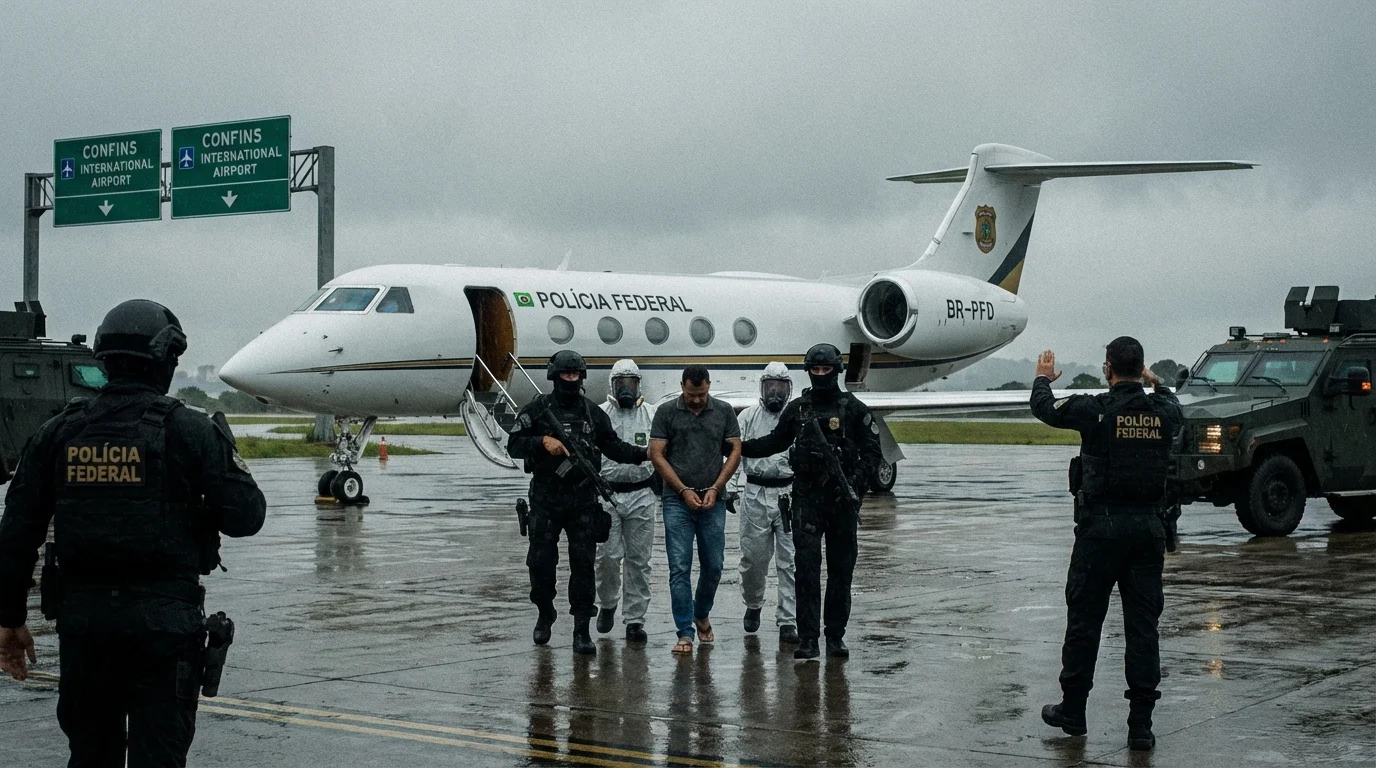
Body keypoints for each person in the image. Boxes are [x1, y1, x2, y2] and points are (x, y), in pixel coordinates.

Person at [0, 299, 266, 767]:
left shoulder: (58, 432)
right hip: (164, 631)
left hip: (86, 628)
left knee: (90, 757)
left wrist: (9, 618)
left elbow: (17, 532)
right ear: (166, 361)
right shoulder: (189, 429)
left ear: (103, 359)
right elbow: (247, 517)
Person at [1030, 338, 1182, 752]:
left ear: (1108, 369)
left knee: (1084, 621)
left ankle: (1074, 711)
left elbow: (1043, 409)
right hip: (1147, 532)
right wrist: (1156, 382)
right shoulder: (1162, 412)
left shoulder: (1095, 409)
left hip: (1100, 534)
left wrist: (1042, 379)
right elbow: (1176, 407)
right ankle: (1140, 726)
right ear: (1141, 369)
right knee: (1143, 629)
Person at [740, 343, 882, 661]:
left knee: (841, 572)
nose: (820, 375)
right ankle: (807, 639)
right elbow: (774, 442)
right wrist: (736, 447)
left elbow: (873, 453)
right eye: (814, 370)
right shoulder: (798, 409)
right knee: (805, 571)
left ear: (837, 370)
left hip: (842, 502)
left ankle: (835, 637)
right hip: (807, 501)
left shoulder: (853, 408)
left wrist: (854, 486)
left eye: (825, 370)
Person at [507, 351, 649, 655]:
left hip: (582, 499)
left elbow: (613, 445)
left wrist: (645, 454)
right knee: (541, 564)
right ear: (555, 376)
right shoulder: (538, 410)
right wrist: (542, 442)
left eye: (575, 375)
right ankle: (545, 614)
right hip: (546, 500)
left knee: (583, 566)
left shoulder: (593, 413)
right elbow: (514, 444)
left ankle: (581, 629)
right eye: (566, 375)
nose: (571, 380)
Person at [648, 365, 742, 655]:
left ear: (709, 387)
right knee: (679, 566)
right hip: (677, 500)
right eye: (691, 394)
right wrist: (682, 490)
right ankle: (685, 631)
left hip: (713, 499)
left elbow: (735, 450)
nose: (697, 400)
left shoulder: (724, 411)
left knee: (714, 565)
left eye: (701, 394)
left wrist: (717, 487)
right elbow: (656, 454)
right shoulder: (666, 412)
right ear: (682, 387)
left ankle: (702, 612)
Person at [727, 362, 799, 646]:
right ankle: (754, 603)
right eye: (770, 386)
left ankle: (787, 620)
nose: (775, 393)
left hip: (789, 493)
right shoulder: (747, 417)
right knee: (753, 560)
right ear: (762, 387)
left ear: (788, 389)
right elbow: (733, 455)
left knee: (790, 561)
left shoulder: (796, 418)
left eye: (780, 387)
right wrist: (730, 488)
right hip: (755, 492)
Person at [594, 359, 658, 643]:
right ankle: (607, 603)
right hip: (607, 494)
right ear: (612, 385)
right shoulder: (599, 414)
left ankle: (635, 619)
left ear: (639, 384)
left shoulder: (652, 415)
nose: (626, 390)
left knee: (639, 560)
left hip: (642, 493)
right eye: (621, 384)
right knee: (607, 556)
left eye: (630, 384)